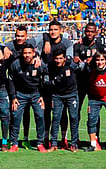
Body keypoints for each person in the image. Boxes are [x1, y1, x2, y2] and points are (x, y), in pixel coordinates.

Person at [4, 26, 41, 150]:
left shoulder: (30, 46)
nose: (19, 38)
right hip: (15, 86)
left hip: (30, 87)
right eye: (17, 35)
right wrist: (3, 49)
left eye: (22, 36)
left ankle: (25, 138)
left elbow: (38, 49)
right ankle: (12, 140)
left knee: (28, 115)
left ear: (26, 36)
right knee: (13, 114)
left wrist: (38, 57)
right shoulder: (10, 45)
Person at [7, 43, 49, 153]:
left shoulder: (40, 64)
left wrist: (43, 96)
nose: (27, 55)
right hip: (20, 95)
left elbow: (46, 79)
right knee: (15, 118)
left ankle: (40, 143)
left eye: (29, 53)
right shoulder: (16, 64)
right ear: (22, 54)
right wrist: (13, 97)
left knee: (40, 117)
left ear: (33, 53)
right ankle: (14, 143)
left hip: (36, 95)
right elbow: (10, 80)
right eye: (25, 53)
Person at [38, 19, 73, 149]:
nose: (53, 32)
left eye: (55, 30)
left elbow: (68, 61)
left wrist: (50, 67)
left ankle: (63, 138)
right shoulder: (43, 41)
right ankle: (46, 138)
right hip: (46, 83)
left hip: (62, 83)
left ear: (61, 31)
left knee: (62, 113)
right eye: (50, 30)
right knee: (46, 112)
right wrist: (45, 40)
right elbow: (34, 51)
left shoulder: (67, 43)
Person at [84, 51, 106, 152]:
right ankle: (93, 144)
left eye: (102, 60)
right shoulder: (89, 68)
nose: (100, 62)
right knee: (91, 120)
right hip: (94, 98)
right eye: (98, 60)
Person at [46, 48, 80, 152]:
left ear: (64, 58)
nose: (58, 61)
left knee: (74, 118)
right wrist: (54, 82)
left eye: (60, 58)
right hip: (57, 95)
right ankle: (54, 143)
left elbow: (82, 67)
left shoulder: (71, 64)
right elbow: (46, 81)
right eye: (56, 58)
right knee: (56, 118)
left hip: (72, 94)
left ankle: (74, 144)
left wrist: (80, 61)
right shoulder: (50, 66)